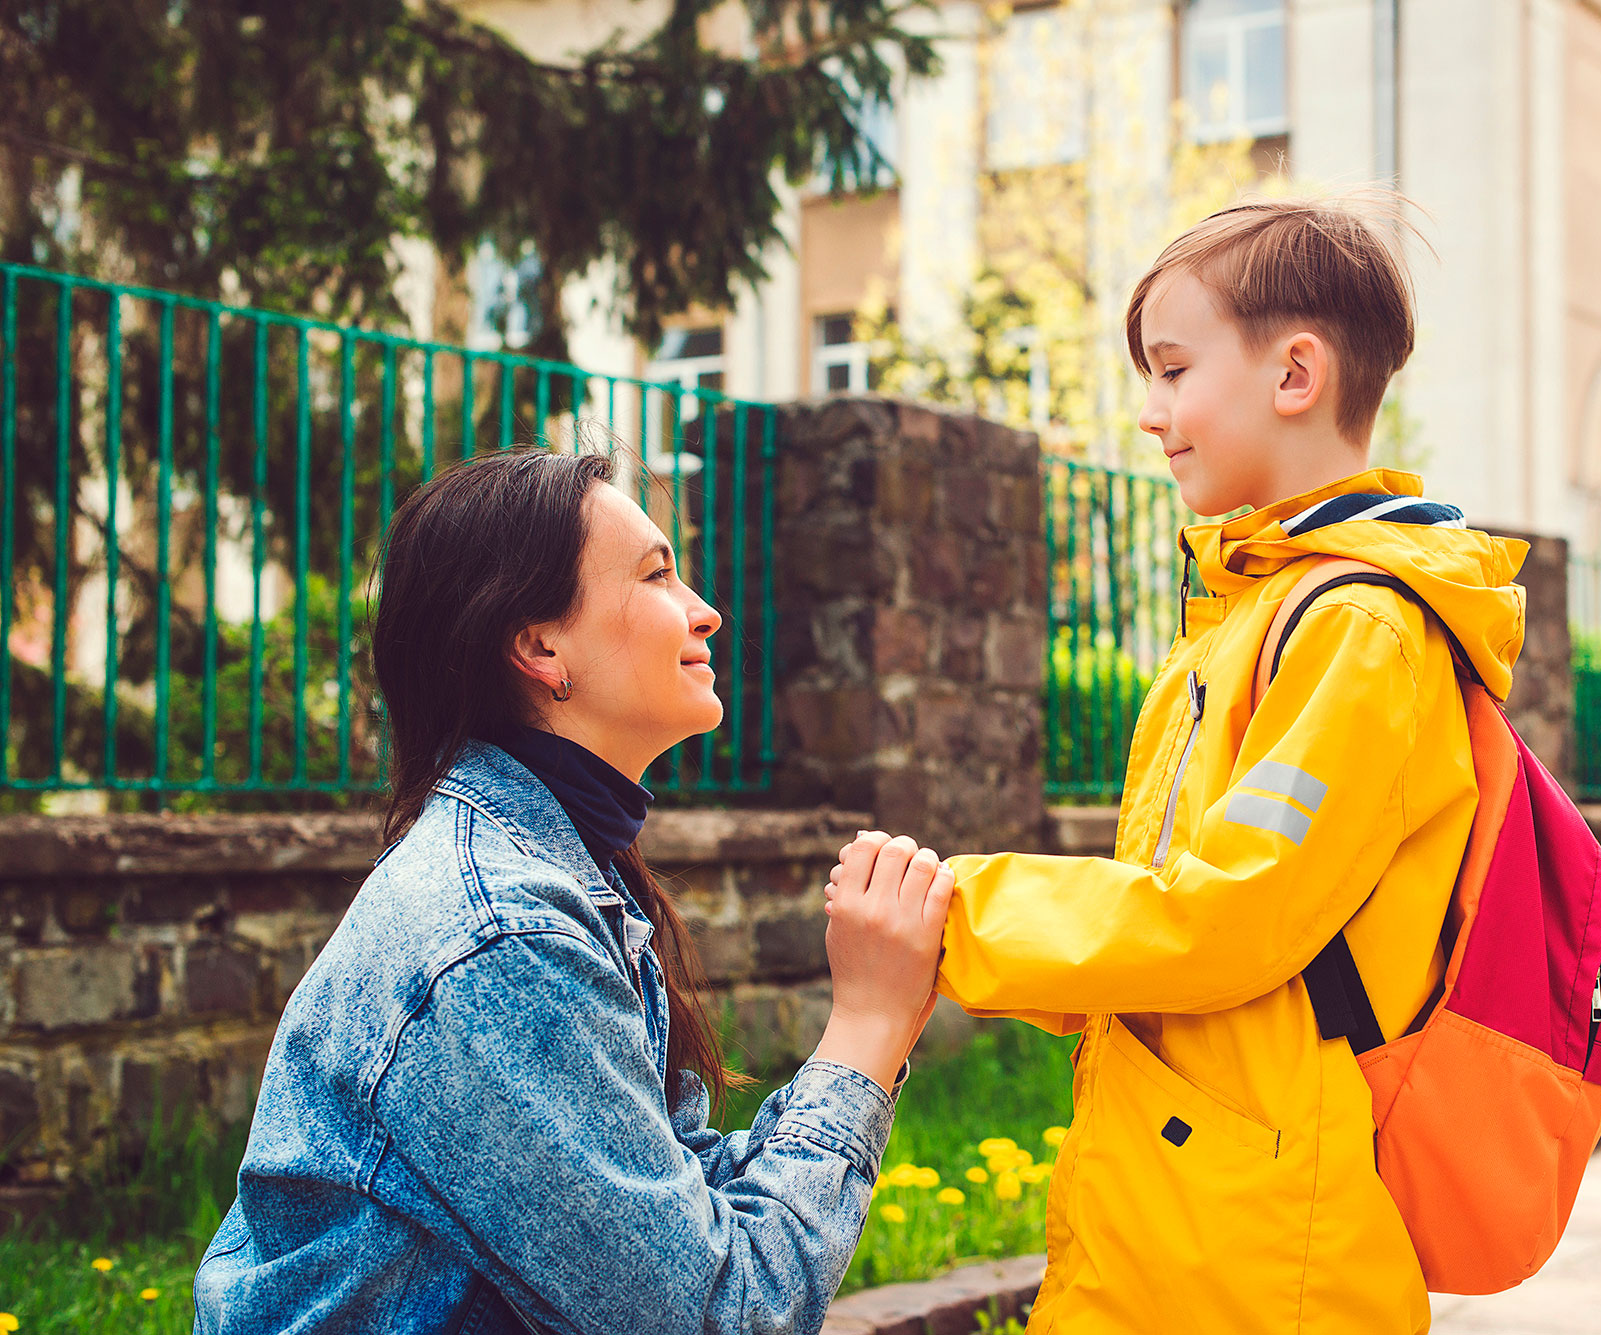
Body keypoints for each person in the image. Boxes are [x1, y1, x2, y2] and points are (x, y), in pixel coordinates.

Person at [839, 196, 1532, 1333]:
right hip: (1190, 1192)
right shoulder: (1251, 613)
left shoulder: (1352, 630)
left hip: (1257, 1244)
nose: (1150, 413)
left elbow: (1228, 916)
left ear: (1294, 373)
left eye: (1171, 370)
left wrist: (950, 917)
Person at [194, 448, 953, 1335]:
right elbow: (721, 1313)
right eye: (657, 575)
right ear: (540, 646)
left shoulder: (564, 872)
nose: (705, 610)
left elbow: (679, 1205)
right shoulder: (501, 935)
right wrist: (866, 1027)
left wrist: (876, 1031)